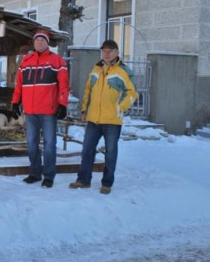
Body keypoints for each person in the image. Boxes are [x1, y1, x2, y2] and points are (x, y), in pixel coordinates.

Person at [70, 39, 138, 194]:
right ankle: (83, 180)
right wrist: (84, 110)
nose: (106, 53)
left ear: (117, 53)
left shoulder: (124, 71)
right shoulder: (96, 69)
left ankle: (106, 183)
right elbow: (88, 90)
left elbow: (132, 92)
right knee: (87, 150)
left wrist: (120, 108)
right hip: (93, 119)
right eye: (104, 51)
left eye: (110, 50)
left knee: (111, 153)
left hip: (112, 120)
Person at [11, 29, 69, 188]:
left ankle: (49, 175)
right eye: (37, 40)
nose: (39, 42)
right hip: (30, 111)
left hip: (49, 111)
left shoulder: (57, 61)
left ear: (47, 42)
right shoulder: (26, 62)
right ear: (34, 43)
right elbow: (19, 85)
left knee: (49, 144)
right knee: (31, 144)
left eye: (42, 40)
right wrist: (15, 102)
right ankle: (35, 173)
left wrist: (63, 104)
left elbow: (64, 86)